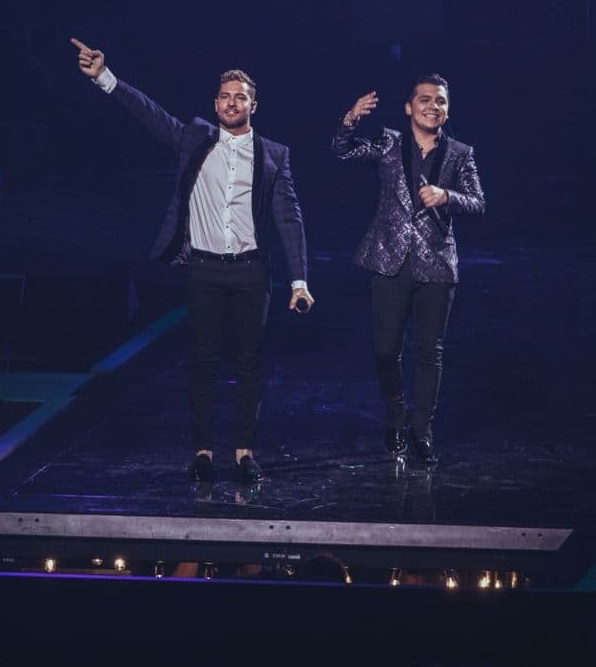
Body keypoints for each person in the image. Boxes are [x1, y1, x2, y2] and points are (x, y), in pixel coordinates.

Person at [70, 37, 314, 483]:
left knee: (249, 362)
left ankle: (243, 451)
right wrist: (105, 77)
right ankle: (202, 450)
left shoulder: (274, 156)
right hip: (203, 268)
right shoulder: (196, 137)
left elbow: (288, 217)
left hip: (250, 271)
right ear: (215, 103)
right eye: (224, 96)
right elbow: (150, 114)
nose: (230, 102)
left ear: (253, 106)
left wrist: (299, 281)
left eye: (240, 96)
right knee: (202, 359)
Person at [332, 74, 484, 465]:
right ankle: (396, 417)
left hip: (436, 262)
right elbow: (343, 152)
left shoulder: (460, 153)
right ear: (408, 107)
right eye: (425, 100)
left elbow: (478, 203)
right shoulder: (388, 142)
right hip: (389, 257)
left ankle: (422, 431)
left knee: (429, 353)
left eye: (441, 101)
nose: (433, 106)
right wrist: (350, 119)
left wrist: (446, 195)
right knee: (385, 349)